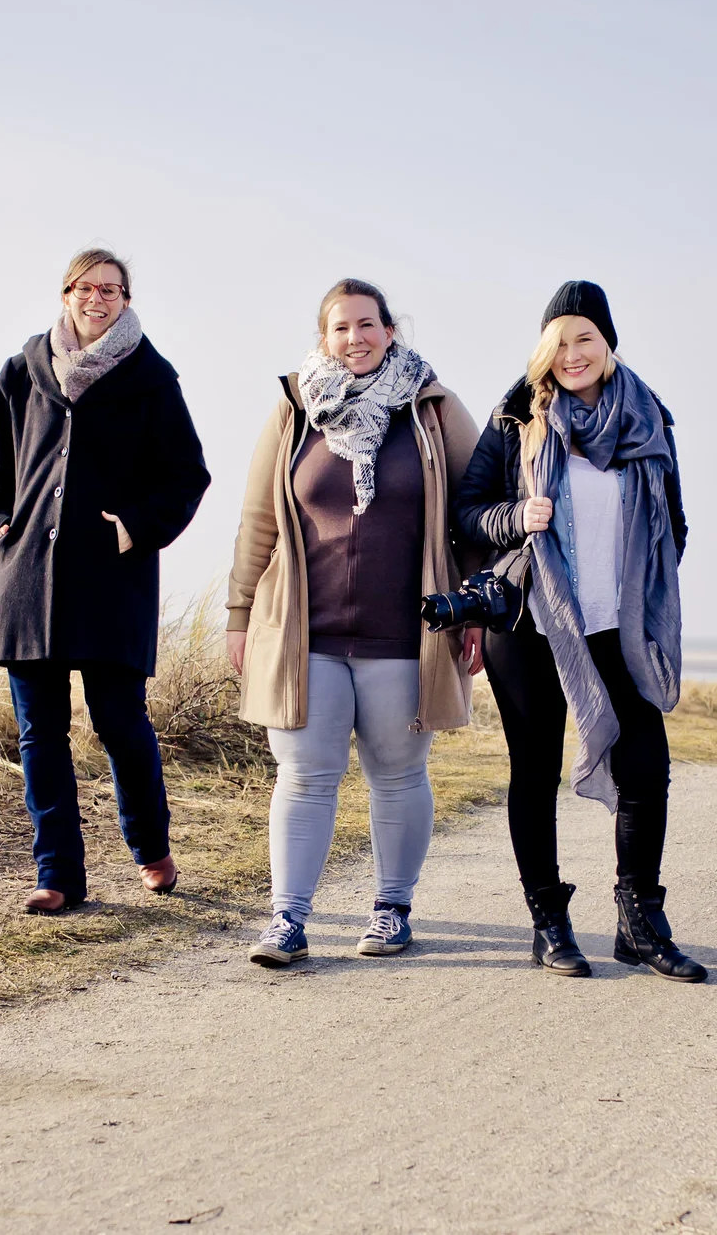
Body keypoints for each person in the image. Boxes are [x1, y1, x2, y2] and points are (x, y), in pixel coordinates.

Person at [226, 280, 484, 967]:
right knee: (304, 775)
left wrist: (480, 607)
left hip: (405, 635)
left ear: (389, 330)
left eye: (367, 325)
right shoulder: (294, 411)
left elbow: (476, 514)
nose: (356, 339)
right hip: (302, 634)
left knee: (397, 773)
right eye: (341, 329)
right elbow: (257, 523)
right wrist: (239, 616)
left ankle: (391, 909)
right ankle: (287, 919)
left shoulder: (432, 409)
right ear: (324, 339)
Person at [454, 280, 701, 982]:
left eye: (585, 337)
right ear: (543, 349)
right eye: (558, 341)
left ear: (608, 343)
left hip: (618, 625)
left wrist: (647, 587)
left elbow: (673, 523)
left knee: (646, 768)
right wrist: (515, 519)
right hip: (533, 623)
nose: (572, 353)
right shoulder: (514, 418)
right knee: (533, 771)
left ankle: (639, 920)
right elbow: (469, 511)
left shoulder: (649, 420)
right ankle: (549, 923)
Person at [0, 248, 211, 914]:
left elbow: (187, 476)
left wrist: (131, 528)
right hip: (29, 583)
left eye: (112, 289)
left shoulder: (152, 379)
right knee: (38, 735)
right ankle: (58, 876)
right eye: (86, 287)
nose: (97, 298)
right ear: (66, 293)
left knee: (119, 723)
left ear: (126, 301)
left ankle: (150, 846)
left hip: (112, 581)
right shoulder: (22, 371)